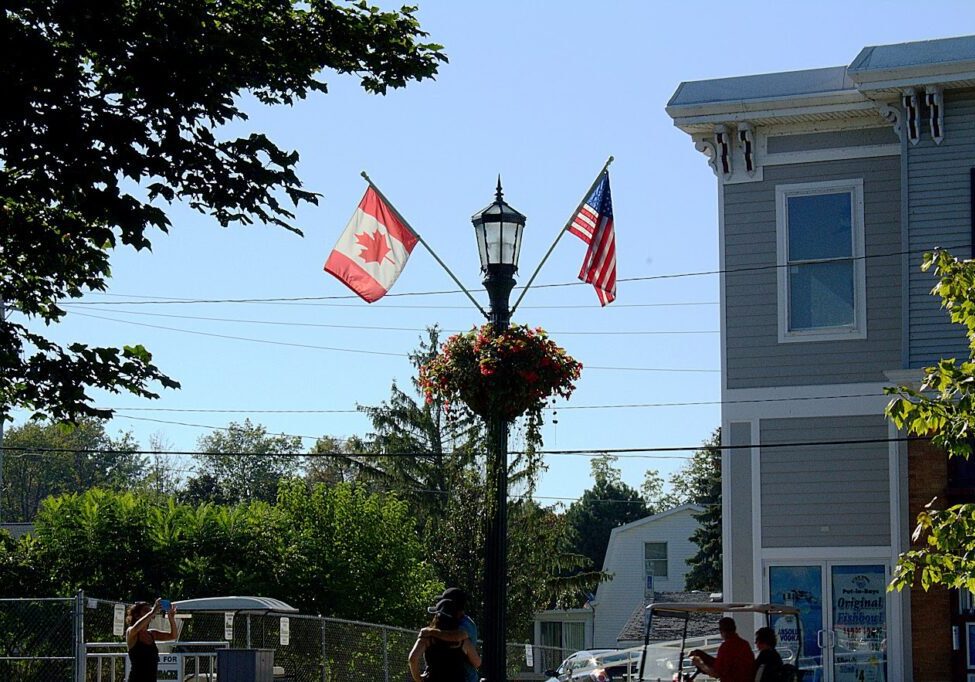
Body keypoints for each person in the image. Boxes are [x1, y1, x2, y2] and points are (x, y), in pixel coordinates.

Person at [409, 599, 481, 682]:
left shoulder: (427, 638)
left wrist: (418, 678)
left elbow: (412, 659)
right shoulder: (463, 642)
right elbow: (477, 663)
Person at [125, 598, 179, 682]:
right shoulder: (131, 632)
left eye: (150, 610)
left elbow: (173, 635)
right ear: (136, 615)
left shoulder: (152, 634)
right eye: (146, 610)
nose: (149, 612)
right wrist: (153, 612)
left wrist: (171, 618)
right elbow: (136, 628)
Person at [689, 616, 754, 682]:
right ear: (734, 629)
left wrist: (700, 664)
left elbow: (716, 673)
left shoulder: (726, 647)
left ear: (721, 631)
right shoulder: (744, 644)